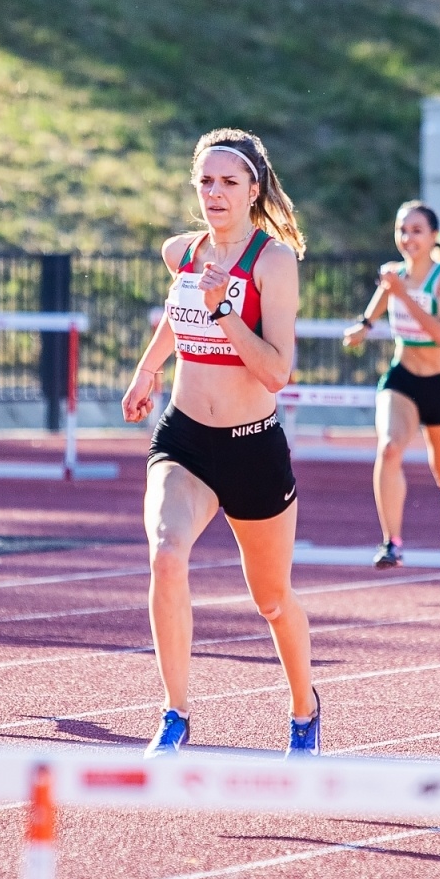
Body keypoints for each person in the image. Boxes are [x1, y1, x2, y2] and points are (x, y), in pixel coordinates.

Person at [121, 128, 320, 757]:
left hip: (251, 446)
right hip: (184, 438)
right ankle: (176, 714)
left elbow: (276, 371)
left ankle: (304, 708)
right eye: (205, 181)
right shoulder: (181, 251)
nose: (215, 193)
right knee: (165, 554)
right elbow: (175, 320)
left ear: (253, 189)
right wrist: (147, 370)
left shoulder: (273, 261)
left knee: (271, 600)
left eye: (229, 182)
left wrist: (224, 311)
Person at [343, 201, 440, 568]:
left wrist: (400, 293)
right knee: (388, 449)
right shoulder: (395, 275)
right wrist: (364, 326)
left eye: (416, 230)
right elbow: (381, 299)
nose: (407, 237)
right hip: (402, 379)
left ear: (433, 236)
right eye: (402, 230)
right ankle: (392, 542)